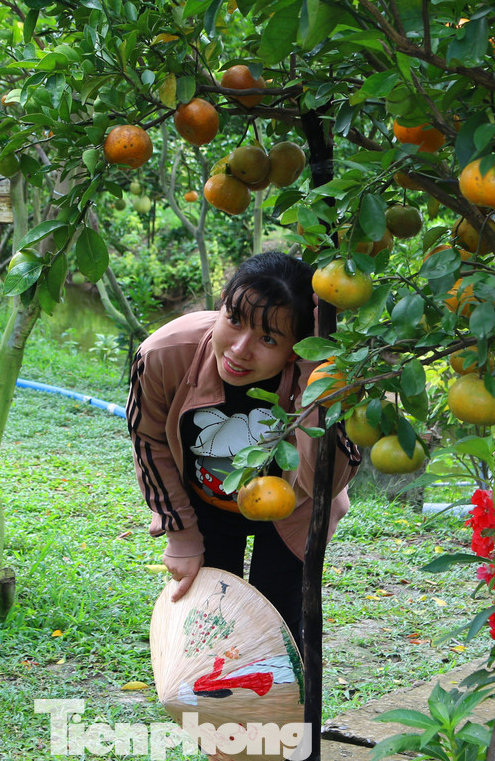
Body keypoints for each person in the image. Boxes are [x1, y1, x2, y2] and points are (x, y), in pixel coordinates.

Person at [128, 251, 360, 642]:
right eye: (233, 320)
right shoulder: (164, 354)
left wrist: (314, 370)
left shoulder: (330, 376)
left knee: (278, 625)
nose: (239, 349)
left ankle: (274, 703)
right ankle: (206, 704)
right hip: (203, 502)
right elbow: (148, 439)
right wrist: (180, 532)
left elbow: (327, 476)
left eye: (268, 338)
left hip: (291, 508)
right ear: (220, 305)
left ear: (297, 346)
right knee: (207, 624)